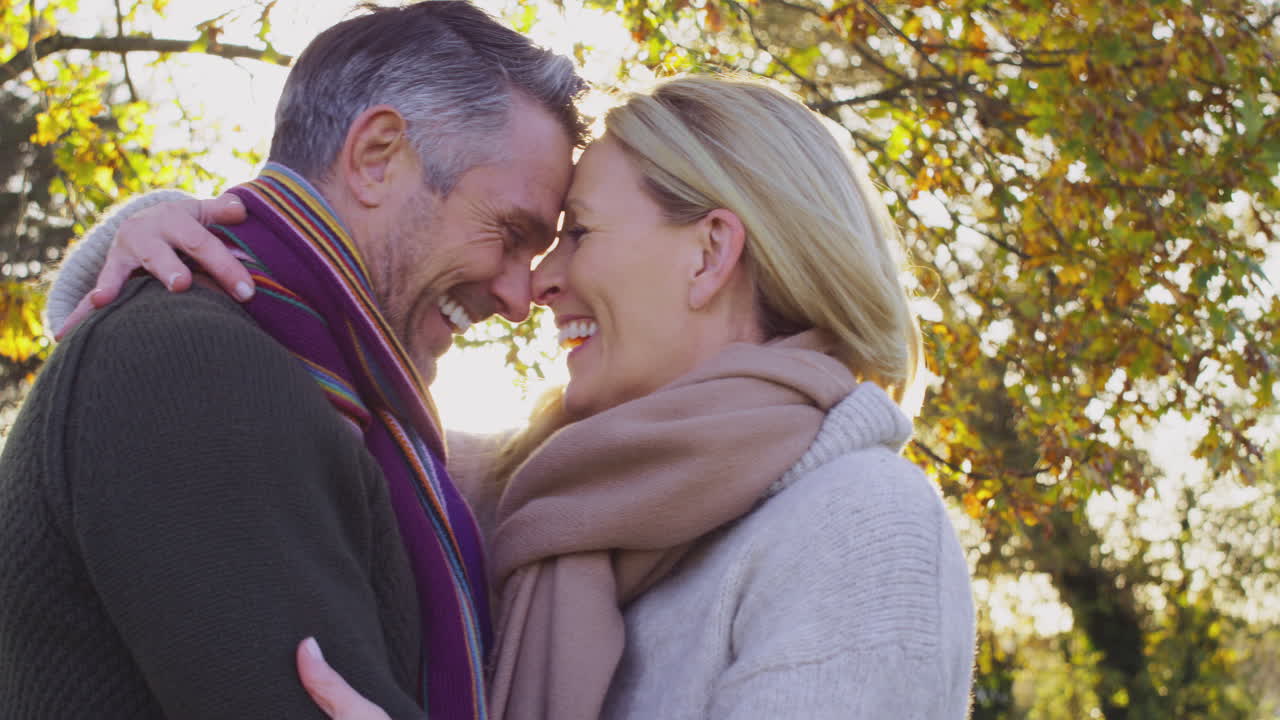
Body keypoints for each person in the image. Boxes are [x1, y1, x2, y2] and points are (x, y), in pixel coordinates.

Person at [49, 76, 976, 719]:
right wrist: (177, 231)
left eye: (576, 235)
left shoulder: (860, 525)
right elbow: (281, 378)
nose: (541, 286)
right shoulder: (526, 488)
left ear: (711, 252)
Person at [0, 2, 587, 718]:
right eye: (511, 231)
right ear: (377, 157)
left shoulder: (329, 397)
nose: (520, 294)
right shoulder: (192, 366)